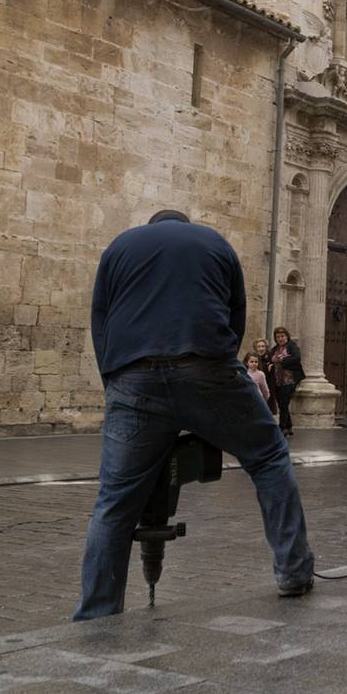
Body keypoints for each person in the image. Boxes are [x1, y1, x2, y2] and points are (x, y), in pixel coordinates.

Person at [75, 210, 313, 620]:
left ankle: (96, 612)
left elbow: (101, 320)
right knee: (269, 457)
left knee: (114, 500)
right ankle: (293, 571)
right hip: (207, 366)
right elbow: (235, 316)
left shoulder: (119, 247)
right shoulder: (215, 242)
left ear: (153, 226)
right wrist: (217, 365)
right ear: (185, 225)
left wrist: (114, 382)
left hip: (133, 374)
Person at [268, 328, 303, 437]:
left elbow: (297, 358)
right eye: (278, 337)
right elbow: (270, 359)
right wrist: (270, 364)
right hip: (278, 381)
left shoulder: (292, 346)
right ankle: (289, 426)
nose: (280, 338)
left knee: (284, 403)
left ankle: (282, 427)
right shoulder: (274, 349)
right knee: (282, 403)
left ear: (287, 336)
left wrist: (282, 361)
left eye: (282, 336)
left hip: (290, 380)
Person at [253, 337, 279, 417]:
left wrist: (272, 367)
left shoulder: (270, 358)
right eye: (259, 346)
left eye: (263, 346)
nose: (261, 348)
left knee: (268, 409)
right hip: (256, 387)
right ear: (256, 348)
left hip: (268, 386)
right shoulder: (253, 358)